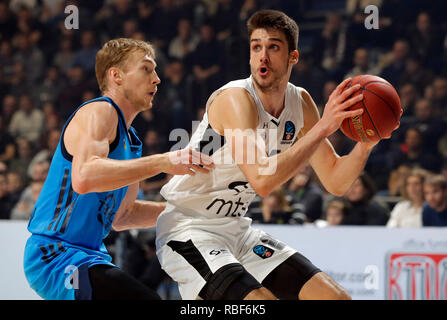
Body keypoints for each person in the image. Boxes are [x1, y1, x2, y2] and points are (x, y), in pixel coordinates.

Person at [156, 10, 397, 300]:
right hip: (189, 229)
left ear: (293, 57)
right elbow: (262, 180)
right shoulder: (235, 99)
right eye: (256, 47)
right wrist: (322, 128)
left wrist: (366, 142)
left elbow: (335, 181)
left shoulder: (301, 102)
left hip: (237, 229)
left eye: (273, 47)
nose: (263, 56)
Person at [23, 38, 214, 300]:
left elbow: (123, 215)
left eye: (156, 70)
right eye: (146, 69)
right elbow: (84, 177)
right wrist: (164, 161)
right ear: (117, 76)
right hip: (55, 254)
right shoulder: (100, 111)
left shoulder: (131, 139)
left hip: (91, 256)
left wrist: (192, 213)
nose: (157, 79)